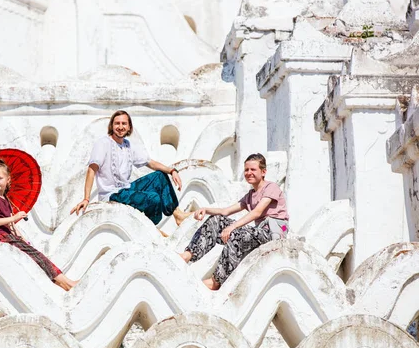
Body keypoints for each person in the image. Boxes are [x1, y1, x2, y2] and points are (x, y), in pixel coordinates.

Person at [180, 153, 289, 290]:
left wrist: (231, 227)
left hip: (273, 234)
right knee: (217, 220)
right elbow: (225, 212)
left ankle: (217, 280)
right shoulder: (250, 195)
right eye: (246, 170)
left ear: (263, 172)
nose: (249, 173)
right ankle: (188, 254)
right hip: (258, 233)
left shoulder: (271, 187)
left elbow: (257, 212)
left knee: (237, 232)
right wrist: (205, 209)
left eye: (253, 170)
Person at [70, 110, 191, 231]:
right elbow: (92, 170)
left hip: (126, 189)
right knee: (153, 198)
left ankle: (178, 215)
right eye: (117, 123)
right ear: (112, 126)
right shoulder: (103, 143)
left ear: (129, 127)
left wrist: (172, 171)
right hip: (111, 194)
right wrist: (86, 199)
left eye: (124, 124)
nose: (120, 127)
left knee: (160, 176)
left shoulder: (128, 145)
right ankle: (149, 227)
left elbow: (150, 162)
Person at [0, 158, 77, 291]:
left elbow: (12, 226)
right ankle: (67, 283)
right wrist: (14, 217)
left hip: (10, 236)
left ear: (8, 179)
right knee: (36, 258)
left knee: (37, 255)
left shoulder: (6, 200)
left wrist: (22, 239)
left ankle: (65, 283)